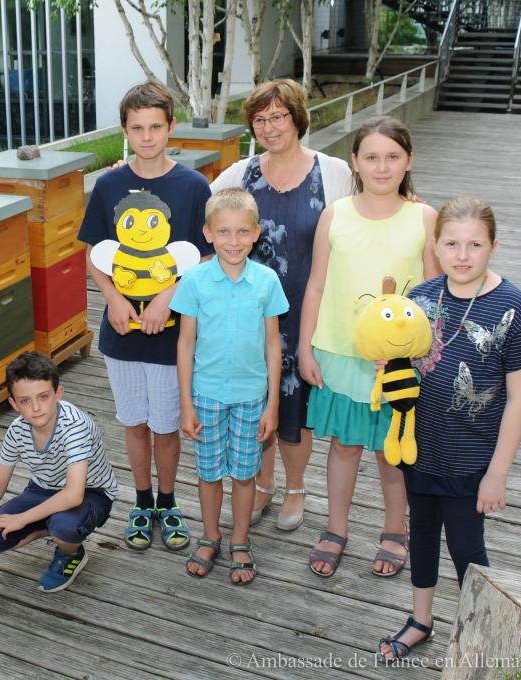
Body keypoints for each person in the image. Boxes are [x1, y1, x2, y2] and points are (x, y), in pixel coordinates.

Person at [378, 197, 521, 661]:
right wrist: (387, 364)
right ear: (436, 246)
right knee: (424, 533)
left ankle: (485, 632)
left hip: (472, 458)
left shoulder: (513, 306)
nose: (463, 254)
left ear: (494, 246)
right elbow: (402, 368)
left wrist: (498, 473)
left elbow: (519, 398)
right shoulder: (421, 299)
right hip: (421, 447)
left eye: (475, 244)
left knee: (468, 549)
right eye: (452, 243)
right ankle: (421, 619)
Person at [299, 116, 440, 578]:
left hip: (401, 360)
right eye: (372, 157)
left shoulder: (423, 217)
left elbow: (436, 295)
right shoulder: (334, 215)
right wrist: (306, 347)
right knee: (343, 445)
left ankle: (394, 530)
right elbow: (317, 286)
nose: (382, 167)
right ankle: (336, 528)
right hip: (342, 353)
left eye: (393, 157)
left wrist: (422, 354)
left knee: (390, 449)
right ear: (355, 162)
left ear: (410, 160)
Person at [210, 79, 353, 532]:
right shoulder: (241, 174)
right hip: (252, 315)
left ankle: (295, 487)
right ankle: (264, 483)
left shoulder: (331, 172)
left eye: (278, 116)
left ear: (297, 117)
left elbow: (368, 211)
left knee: (298, 407)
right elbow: (204, 210)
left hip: (309, 310)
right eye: (260, 119)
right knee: (258, 399)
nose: (269, 127)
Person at [78, 80, 211, 553]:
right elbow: (96, 253)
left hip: (173, 335)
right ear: (125, 131)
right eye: (138, 128)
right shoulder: (109, 184)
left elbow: (205, 256)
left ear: (171, 126)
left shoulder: (194, 186)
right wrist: (112, 299)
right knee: (134, 423)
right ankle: (141, 500)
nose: (148, 136)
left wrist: (166, 299)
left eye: (156, 127)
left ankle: (168, 501)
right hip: (121, 334)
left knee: (166, 427)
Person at [172, 188, 287, 584]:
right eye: (224, 232)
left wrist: (272, 405)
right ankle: (210, 536)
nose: (233, 241)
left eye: (242, 232)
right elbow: (185, 343)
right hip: (205, 395)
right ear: (208, 233)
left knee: (243, 474)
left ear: (256, 233)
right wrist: (185, 403)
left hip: (252, 397)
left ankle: (240, 540)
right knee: (208, 473)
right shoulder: (195, 281)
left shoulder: (267, 281)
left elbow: (274, 344)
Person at [0, 351, 117, 592]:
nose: (36, 408)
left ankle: (70, 553)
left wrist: (23, 518)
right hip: (43, 488)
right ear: (12, 403)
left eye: (43, 397)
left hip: (91, 492)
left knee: (64, 527)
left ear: (58, 394)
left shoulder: (75, 426)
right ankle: (46, 525)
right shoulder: (16, 430)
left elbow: (74, 495)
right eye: (25, 401)